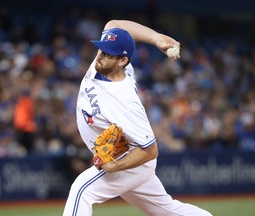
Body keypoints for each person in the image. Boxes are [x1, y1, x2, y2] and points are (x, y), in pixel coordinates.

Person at [62, 20, 212, 216]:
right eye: (100, 50)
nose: (100, 56)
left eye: (107, 54)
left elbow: (150, 150)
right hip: (131, 161)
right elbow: (113, 24)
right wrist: (157, 38)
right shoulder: (103, 65)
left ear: (122, 61)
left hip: (132, 159)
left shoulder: (124, 101)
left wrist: (114, 166)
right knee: (167, 210)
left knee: (82, 190)